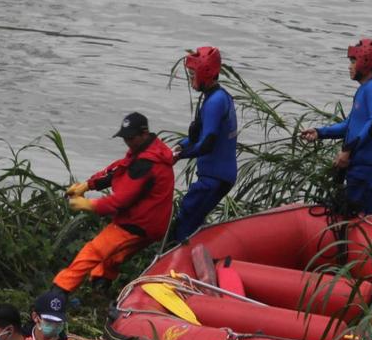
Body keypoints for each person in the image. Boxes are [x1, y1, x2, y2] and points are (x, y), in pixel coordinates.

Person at [52, 112, 175, 293]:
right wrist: (88, 185)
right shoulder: (151, 150)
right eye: (125, 138)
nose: (128, 142)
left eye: (131, 138)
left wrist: (89, 205)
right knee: (113, 254)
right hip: (153, 223)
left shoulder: (146, 164)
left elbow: (120, 201)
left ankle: (58, 292)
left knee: (93, 251)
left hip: (138, 223)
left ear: (144, 134)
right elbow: (120, 168)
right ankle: (101, 285)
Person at [301, 38, 372, 217]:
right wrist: (320, 132)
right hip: (361, 166)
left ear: (366, 62)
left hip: (369, 166)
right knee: (356, 217)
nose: (349, 66)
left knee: (362, 220)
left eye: (353, 61)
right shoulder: (366, 89)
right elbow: (350, 125)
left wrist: (348, 150)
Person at [171, 46, 238, 242]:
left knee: (186, 222)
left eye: (193, 74)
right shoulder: (215, 96)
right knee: (192, 219)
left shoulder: (215, 102)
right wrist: (181, 146)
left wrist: (180, 156)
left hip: (214, 178)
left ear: (205, 74)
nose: (190, 79)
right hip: (216, 176)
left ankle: (177, 262)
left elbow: (207, 144)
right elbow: (198, 135)